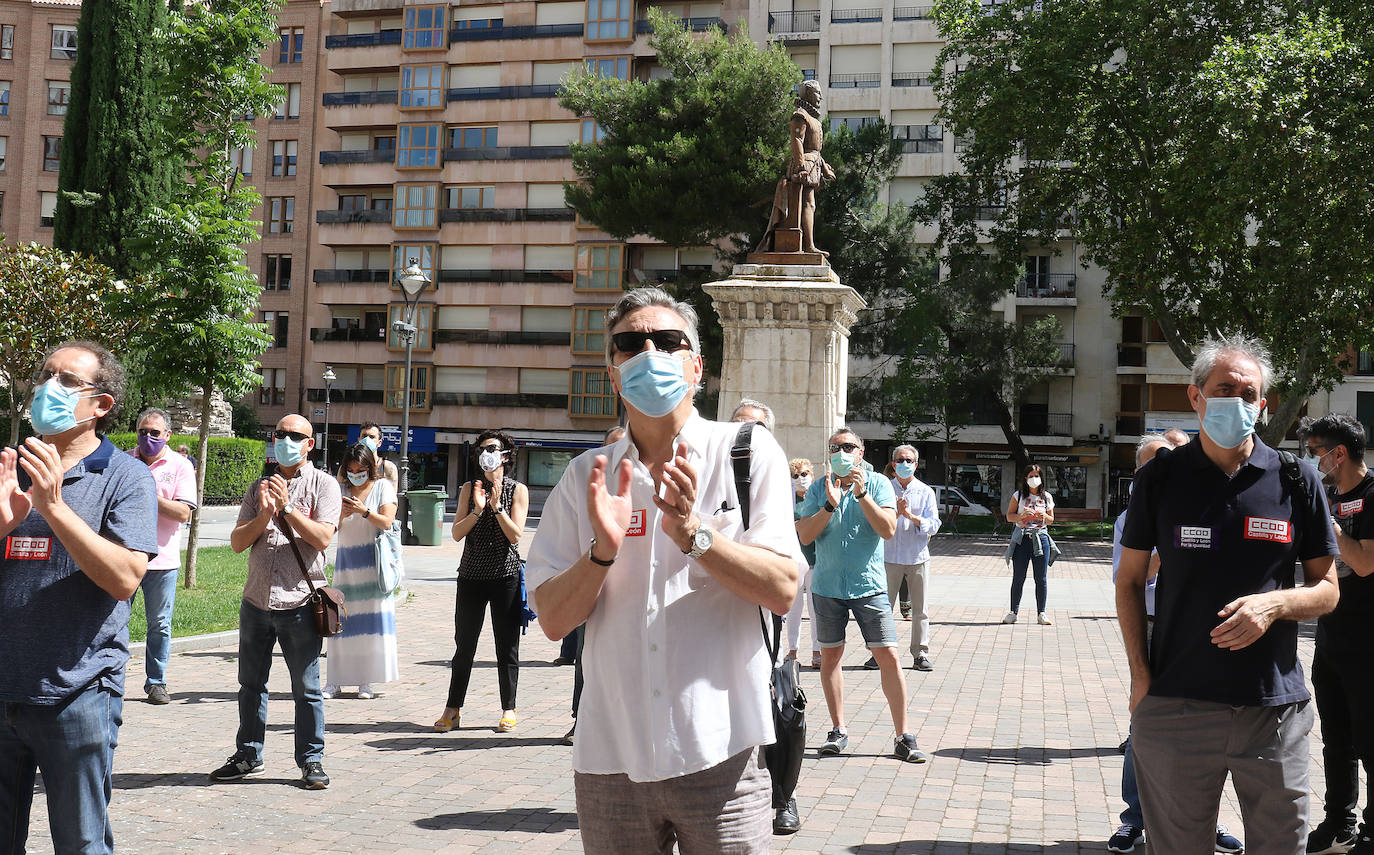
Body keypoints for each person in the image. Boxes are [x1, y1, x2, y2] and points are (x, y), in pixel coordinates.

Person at [526, 286, 798, 852]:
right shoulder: (586, 478)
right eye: (630, 343)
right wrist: (601, 552)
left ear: (696, 365)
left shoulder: (745, 454)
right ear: (613, 371)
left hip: (721, 752)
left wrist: (695, 537)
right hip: (610, 759)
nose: (649, 351)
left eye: (668, 341)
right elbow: (552, 619)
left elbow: (782, 588)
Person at [1117, 334, 1338, 855]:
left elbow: (1327, 589)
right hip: (1176, 706)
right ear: (1195, 397)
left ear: (1262, 405)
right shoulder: (1161, 477)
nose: (1236, 402)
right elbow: (1128, 580)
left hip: (1273, 712)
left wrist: (1276, 603)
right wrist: (1140, 678)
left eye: (1249, 393)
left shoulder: (1294, 478)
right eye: (1224, 389)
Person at [0, 342, 157, 855]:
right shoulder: (8, 472)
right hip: (3, 688)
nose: (48, 388)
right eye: (45, 375)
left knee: (81, 842)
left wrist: (53, 507)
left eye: (67, 381)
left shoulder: (126, 477)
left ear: (101, 406)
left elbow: (125, 578)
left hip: (78, 694)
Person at [1107, 434, 1245, 854]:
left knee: (1207, 728)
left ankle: (1207, 820)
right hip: (1152, 625)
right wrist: (1168, 545)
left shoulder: (1212, 507)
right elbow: (1128, 580)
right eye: (1157, 463)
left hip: (1201, 628)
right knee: (1143, 726)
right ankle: (1134, 821)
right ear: (1141, 473)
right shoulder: (1131, 517)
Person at [212, 414, 341, 790]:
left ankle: (311, 760)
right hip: (256, 600)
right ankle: (248, 755)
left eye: (294, 435)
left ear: (309, 443)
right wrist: (266, 514)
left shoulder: (324, 485)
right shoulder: (259, 488)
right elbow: (237, 543)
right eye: (280, 434)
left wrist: (287, 510)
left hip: (300, 601)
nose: (285, 440)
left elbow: (322, 539)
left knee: (306, 688)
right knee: (250, 684)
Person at [797, 427, 930, 764]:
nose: (841, 452)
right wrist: (829, 505)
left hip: (869, 586)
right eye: (834, 447)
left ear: (861, 452)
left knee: (889, 656)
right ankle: (838, 729)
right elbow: (805, 535)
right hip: (827, 588)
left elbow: (887, 529)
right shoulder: (817, 488)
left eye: (848, 447)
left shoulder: (878, 484)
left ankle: (903, 735)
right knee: (830, 658)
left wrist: (860, 495)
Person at [1298, 414, 1374, 855]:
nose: (1313, 461)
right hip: (1331, 639)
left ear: (1338, 453)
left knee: (1371, 739)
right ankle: (1339, 822)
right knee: (1336, 741)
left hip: (1369, 644)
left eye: (1315, 451)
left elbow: (1364, 562)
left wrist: (1329, 521)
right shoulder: (1326, 495)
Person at [434, 429, 530, 734]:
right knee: (464, 645)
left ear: (505, 456)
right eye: (481, 449)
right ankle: (453, 710)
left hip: (506, 577)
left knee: (507, 647)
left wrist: (497, 506)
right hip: (471, 576)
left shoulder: (518, 490)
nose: (485, 454)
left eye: (491, 449)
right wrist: (477, 509)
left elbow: (515, 535)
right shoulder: (468, 488)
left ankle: (509, 709)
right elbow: (456, 532)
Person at [128, 407, 197, 705]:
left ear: (168, 435)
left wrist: (148, 495)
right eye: (143, 431)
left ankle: (156, 682)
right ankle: (108, 678)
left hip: (162, 560)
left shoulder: (180, 465)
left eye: (154, 432)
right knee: (113, 620)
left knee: (159, 624)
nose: (148, 437)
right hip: (125, 556)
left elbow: (183, 511)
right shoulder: (123, 461)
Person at [322, 443, 399, 700]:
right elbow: (330, 528)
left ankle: (366, 681)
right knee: (342, 621)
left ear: (371, 468)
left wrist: (364, 511)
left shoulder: (382, 487)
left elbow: (387, 522)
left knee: (370, 625)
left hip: (374, 566)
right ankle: (334, 680)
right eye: (351, 469)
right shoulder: (339, 489)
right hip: (346, 566)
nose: (356, 474)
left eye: (361, 469)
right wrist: (342, 515)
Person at [755, 79, 835, 256]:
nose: (820, 96)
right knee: (804, 203)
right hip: (804, 166)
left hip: (813, 165)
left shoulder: (814, 119)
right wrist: (800, 167)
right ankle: (804, 245)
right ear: (807, 94)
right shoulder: (800, 114)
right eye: (817, 92)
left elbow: (816, 150)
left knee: (810, 204)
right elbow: (797, 140)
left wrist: (825, 167)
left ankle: (809, 245)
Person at [884, 445, 941, 671]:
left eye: (909, 460)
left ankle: (920, 653)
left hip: (917, 556)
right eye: (900, 460)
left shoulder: (925, 491)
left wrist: (911, 516)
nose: (904, 464)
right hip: (889, 557)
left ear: (916, 464)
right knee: (883, 608)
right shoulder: (885, 489)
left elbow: (934, 525)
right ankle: (881, 652)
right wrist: (896, 514)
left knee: (920, 609)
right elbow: (875, 520)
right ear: (893, 463)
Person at [1003, 463, 1055, 625]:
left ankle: (1041, 613)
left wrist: (1043, 516)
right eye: (1031, 476)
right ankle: (1013, 612)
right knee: (1018, 577)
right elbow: (1009, 516)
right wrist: (1021, 516)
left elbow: (1051, 519)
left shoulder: (1046, 496)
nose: (1034, 479)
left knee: (1041, 578)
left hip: (1041, 539)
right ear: (1025, 478)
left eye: (1037, 476)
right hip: (1022, 540)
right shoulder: (1018, 496)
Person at [786, 457, 821, 668]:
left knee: (816, 609)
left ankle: (817, 651)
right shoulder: (786, 500)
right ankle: (792, 649)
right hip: (794, 561)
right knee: (793, 608)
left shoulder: (817, 497)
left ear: (812, 475)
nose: (800, 479)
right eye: (796, 475)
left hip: (816, 559)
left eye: (804, 474)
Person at [357, 421, 400, 488]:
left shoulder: (388, 468)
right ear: (359, 440)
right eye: (364, 436)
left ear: (379, 443)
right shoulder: (349, 466)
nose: (367, 440)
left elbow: (392, 496)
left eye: (372, 437)